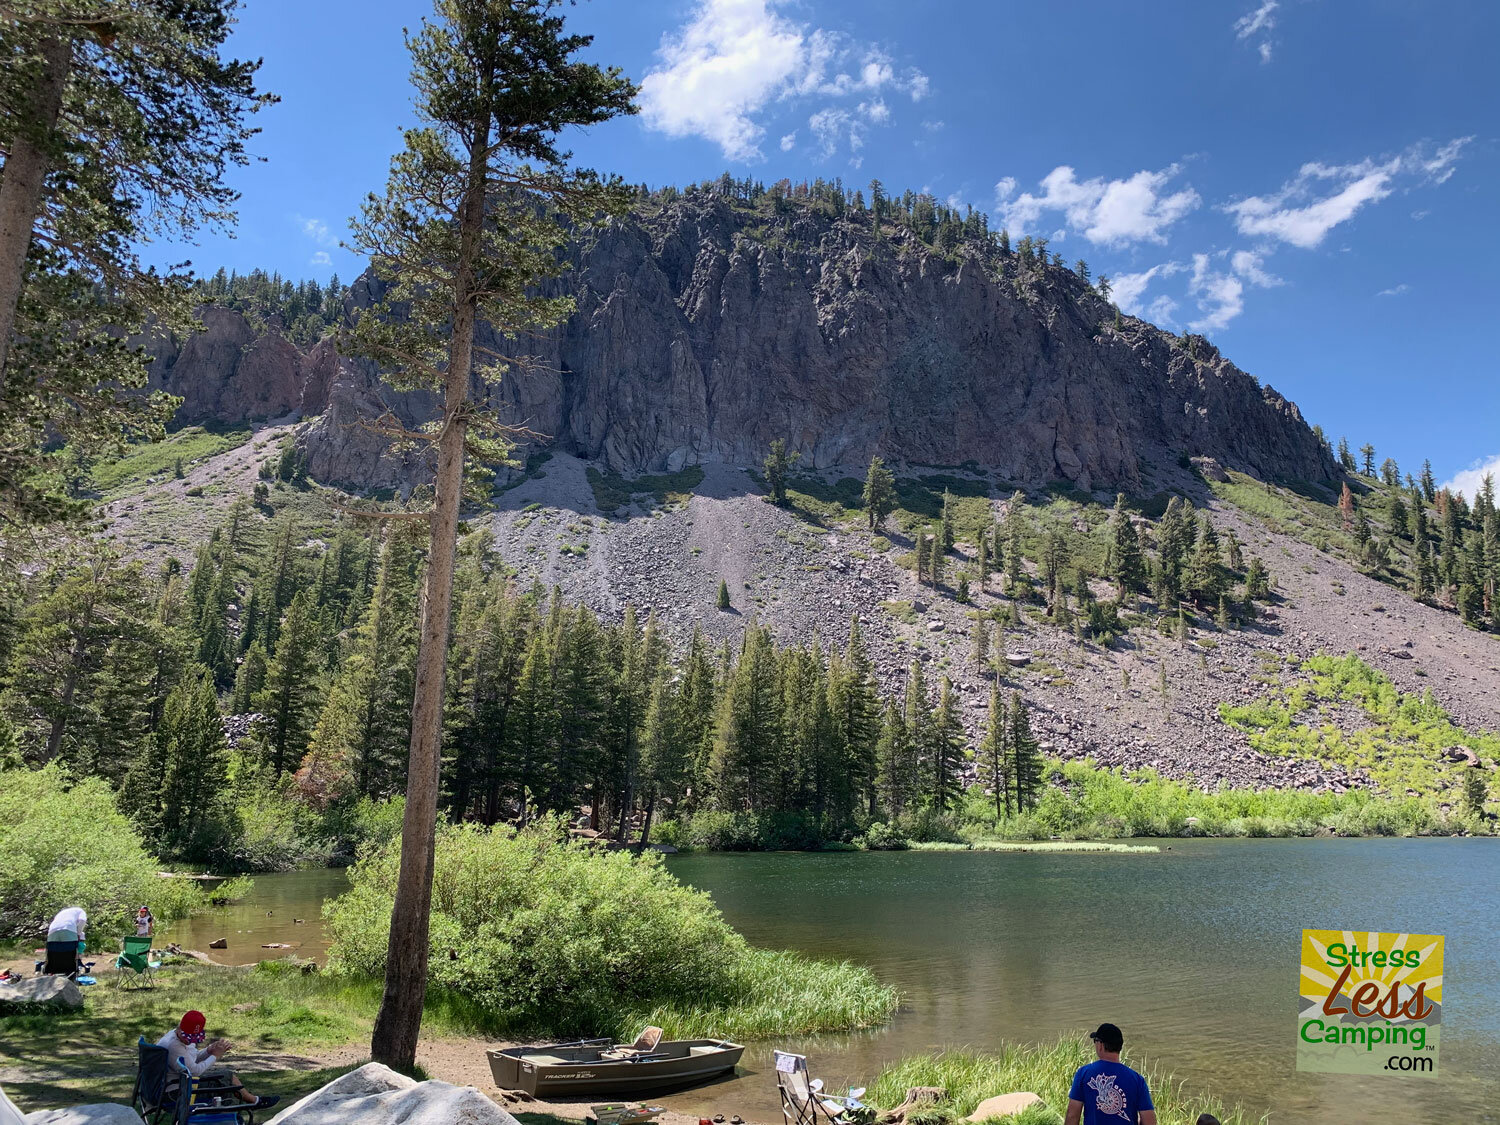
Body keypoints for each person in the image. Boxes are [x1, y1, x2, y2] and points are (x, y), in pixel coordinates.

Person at [157, 1011, 278, 1111]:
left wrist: (209, 1050)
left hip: (181, 1085)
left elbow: (191, 1059)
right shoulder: (174, 1046)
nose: (189, 1041)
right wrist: (215, 1056)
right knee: (225, 1081)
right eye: (188, 1037)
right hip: (176, 1093)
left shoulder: (177, 1037)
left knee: (227, 1077)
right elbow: (194, 1071)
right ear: (180, 1028)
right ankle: (249, 1104)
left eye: (194, 1038)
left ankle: (253, 1102)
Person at [1064, 1023, 1155, 1125]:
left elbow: (1072, 1116)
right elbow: (1149, 1121)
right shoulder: (1137, 1080)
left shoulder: (1083, 1073)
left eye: (1095, 1041)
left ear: (1100, 1045)